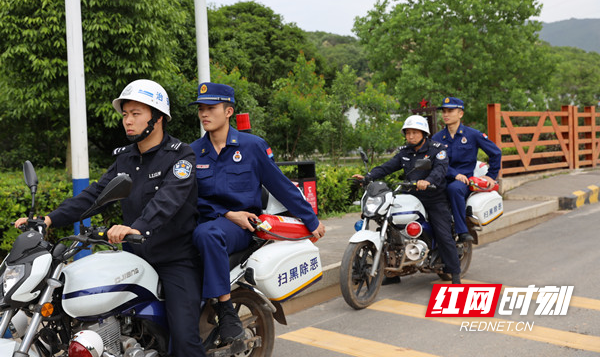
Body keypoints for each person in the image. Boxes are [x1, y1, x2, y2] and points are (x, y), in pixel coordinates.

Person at [16, 79, 206, 357]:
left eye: (136, 114)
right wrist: (49, 220)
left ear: (158, 117)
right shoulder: (125, 158)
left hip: (175, 258)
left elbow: (168, 201)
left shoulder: (180, 156)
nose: (127, 120)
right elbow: (95, 196)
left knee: (185, 339)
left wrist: (135, 227)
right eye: (125, 114)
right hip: (134, 256)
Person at [189, 82, 326, 343]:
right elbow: (189, 198)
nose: (204, 114)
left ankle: (225, 309)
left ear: (228, 111)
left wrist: (310, 219)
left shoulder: (252, 147)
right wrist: (227, 212)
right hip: (208, 221)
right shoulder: (193, 152)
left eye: (211, 108)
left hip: (241, 228)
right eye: (201, 109)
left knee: (208, 235)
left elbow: (281, 186)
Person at [353, 115, 462, 284]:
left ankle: (455, 274)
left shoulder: (437, 149)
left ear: (424, 133)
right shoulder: (405, 152)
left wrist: (428, 181)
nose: (410, 136)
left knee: (443, 234)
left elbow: (440, 170)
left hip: (434, 198)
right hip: (410, 196)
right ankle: (392, 273)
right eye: (408, 133)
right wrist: (367, 177)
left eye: (414, 133)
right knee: (390, 227)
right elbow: (387, 167)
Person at [432, 97, 502, 242]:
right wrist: (453, 173)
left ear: (460, 114)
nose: (446, 114)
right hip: (442, 178)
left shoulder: (472, 135)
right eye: (444, 111)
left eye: (450, 111)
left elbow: (496, 153)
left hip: (464, 182)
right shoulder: (437, 138)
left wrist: (491, 176)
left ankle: (462, 231)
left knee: (454, 189)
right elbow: (435, 161)